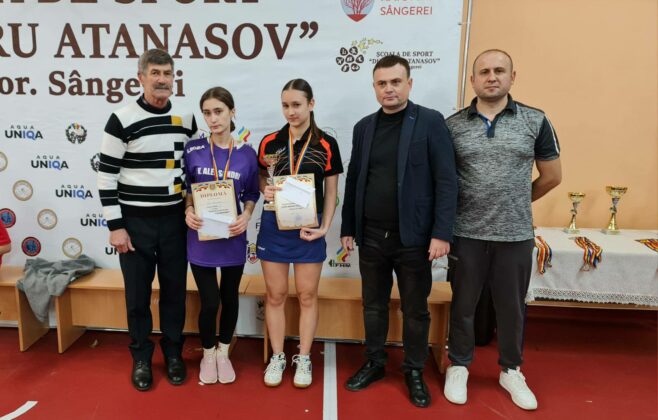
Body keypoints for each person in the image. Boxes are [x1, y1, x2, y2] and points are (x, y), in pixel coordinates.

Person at [443, 49, 562, 411]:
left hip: (515, 235)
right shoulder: (453, 126)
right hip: (466, 234)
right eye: (484, 72)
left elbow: (552, 176)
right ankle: (459, 365)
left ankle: (511, 370)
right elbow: (444, 181)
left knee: (511, 309)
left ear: (512, 76)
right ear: (473, 80)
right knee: (462, 306)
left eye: (499, 70)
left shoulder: (535, 120)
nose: (491, 77)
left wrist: (516, 201)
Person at [340, 55, 458, 408]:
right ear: (374, 87)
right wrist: (349, 226)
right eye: (382, 83)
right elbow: (355, 179)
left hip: (415, 239)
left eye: (395, 82)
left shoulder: (430, 122)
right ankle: (375, 363)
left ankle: (414, 370)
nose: (389, 89)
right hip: (372, 236)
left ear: (409, 83)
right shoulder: (363, 127)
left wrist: (442, 233)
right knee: (373, 305)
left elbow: (446, 180)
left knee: (415, 309)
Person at [97, 49, 198, 391]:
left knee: (175, 292)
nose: (162, 79)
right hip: (134, 222)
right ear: (140, 77)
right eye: (155, 73)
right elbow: (106, 176)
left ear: (174, 78)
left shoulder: (187, 119)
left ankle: (173, 353)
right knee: (137, 296)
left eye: (167, 73)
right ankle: (141, 357)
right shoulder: (121, 118)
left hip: (175, 221)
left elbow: (195, 169)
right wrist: (116, 226)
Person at [257, 79, 343, 388]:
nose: (291, 111)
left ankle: (304, 357)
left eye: (296, 104)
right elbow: (261, 177)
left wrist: (324, 227)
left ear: (311, 104)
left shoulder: (326, 144)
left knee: (307, 295)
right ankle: (278, 356)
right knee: (275, 295)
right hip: (274, 226)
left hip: (309, 228)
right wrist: (265, 189)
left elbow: (331, 192)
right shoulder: (269, 142)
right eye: (285, 105)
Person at [183, 87, 259, 385]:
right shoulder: (193, 150)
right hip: (200, 236)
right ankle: (208, 354)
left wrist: (247, 214)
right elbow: (186, 189)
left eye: (218, 111)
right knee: (210, 301)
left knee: (229, 298)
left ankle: (224, 352)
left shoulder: (247, 153)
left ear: (232, 112)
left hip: (232, 235)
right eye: (207, 113)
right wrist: (188, 209)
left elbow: (251, 193)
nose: (213, 119)